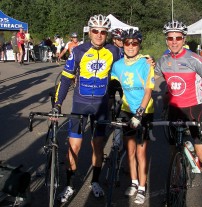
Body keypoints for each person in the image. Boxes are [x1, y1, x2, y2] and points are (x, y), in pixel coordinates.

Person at [155, 20, 202, 207]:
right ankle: (176, 184)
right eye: (170, 38)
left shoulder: (194, 59)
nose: (174, 41)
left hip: (195, 109)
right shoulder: (163, 59)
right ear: (166, 40)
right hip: (174, 110)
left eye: (178, 38)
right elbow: (149, 78)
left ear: (183, 39)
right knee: (173, 150)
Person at [54, 14, 119, 203]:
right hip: (80, 105)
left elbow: (128, 67)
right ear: (89, 31)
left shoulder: (114, 51)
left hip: (101, 107)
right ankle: (69, 185)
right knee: (73, 147)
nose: (99, 35)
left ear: (107, 33)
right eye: (95, 31)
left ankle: (95, 182)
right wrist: (57, 104)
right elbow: (66, 78)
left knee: (98, 145)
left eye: (103, 32)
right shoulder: (79, 50)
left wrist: (148, 62)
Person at [111, 28, 154, 204]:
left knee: (141, 153)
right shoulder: (117, 65)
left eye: (134, 43)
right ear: (122, 43)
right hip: (126, 110)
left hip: (144, 111)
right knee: (130, 151)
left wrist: (139, 113)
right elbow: (115, 87)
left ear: (139, 45)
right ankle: (134, 183)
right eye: (127, 42)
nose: (130, 46)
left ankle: (143, 187)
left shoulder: (145, 64)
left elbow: (148, 92)